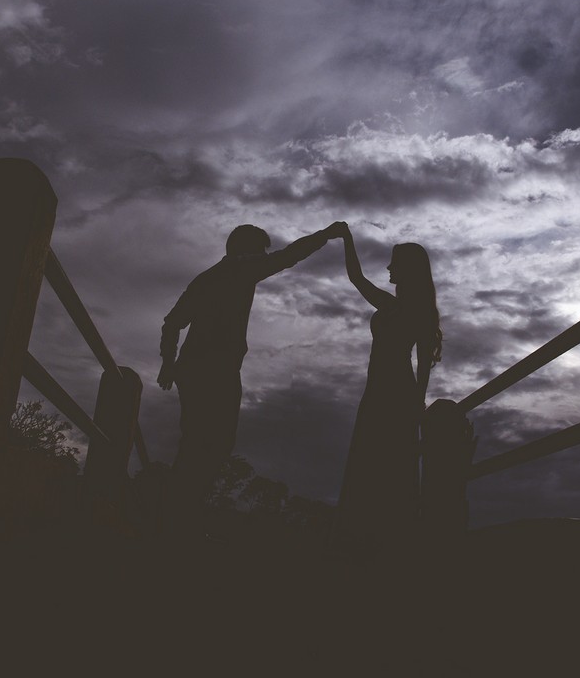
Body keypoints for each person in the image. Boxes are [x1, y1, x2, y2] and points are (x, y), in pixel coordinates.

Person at [158, 221, 346, 539]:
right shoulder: (238, 271)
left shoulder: (205, 279)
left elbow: (172, 323)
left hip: (193, 370)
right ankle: (178, 518)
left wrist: (169, 363)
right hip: (215, 371)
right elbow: (290, 255)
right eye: (259, 252)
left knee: (197, 441)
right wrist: (326, 235)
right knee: (213, 444)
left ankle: (178, 514)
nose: (263, 258)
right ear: (246, 251)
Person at [332, 223, 443, 553]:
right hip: (380, 391)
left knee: (384, 466)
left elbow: (423, 364)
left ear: (407, 270)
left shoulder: (409, 310)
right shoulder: (396, 305)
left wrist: (417, 403)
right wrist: (346, 238)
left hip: (394, 392)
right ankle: (365, 540)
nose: (389, 268)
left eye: (395, 263)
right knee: (372, 463)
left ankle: (382, 544)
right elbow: (357, 279)